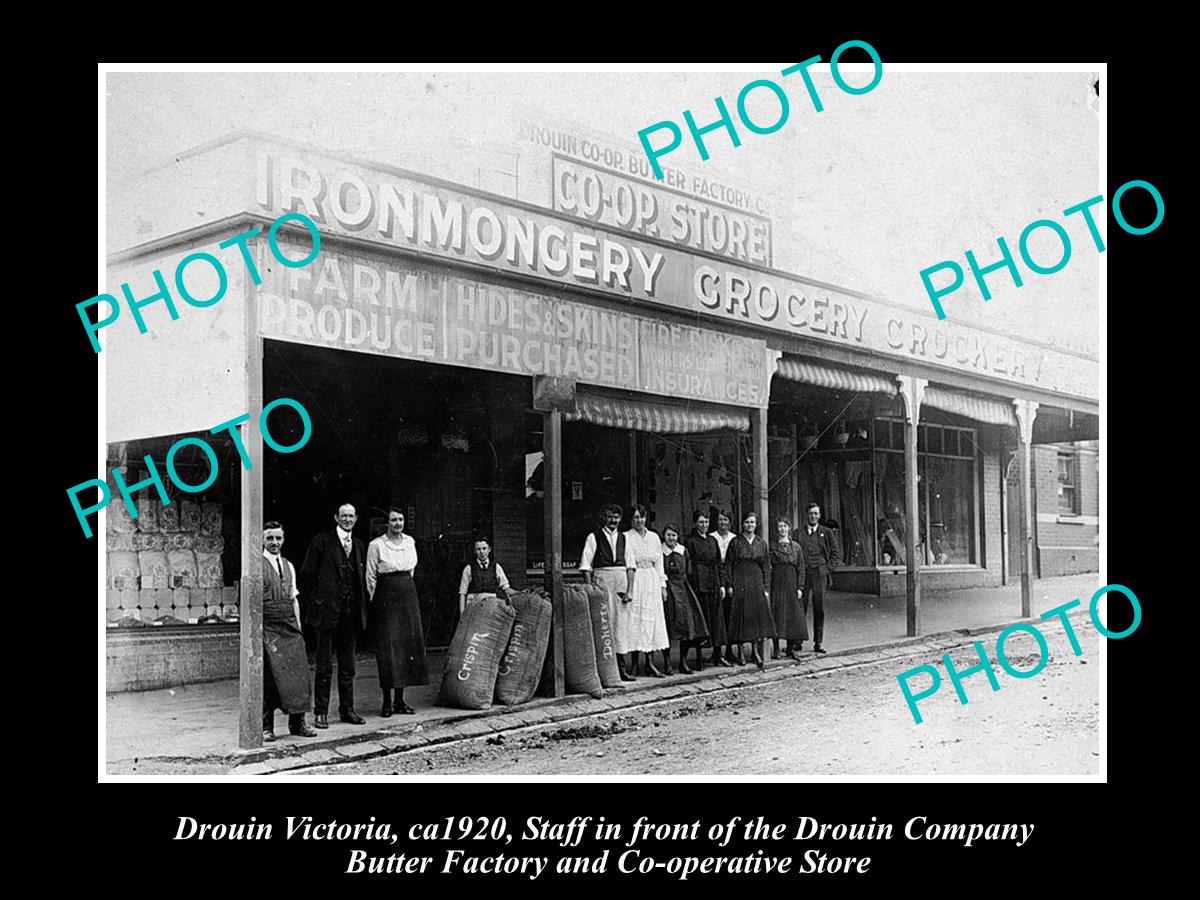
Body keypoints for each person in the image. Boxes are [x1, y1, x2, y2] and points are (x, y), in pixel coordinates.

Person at [299, 502, 369, 728]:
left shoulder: (359, 545)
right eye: (344, 516)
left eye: (351, 516)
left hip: (350, 613)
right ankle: (321, 712)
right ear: (336, 518)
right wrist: (319, 602)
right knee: (324, 665)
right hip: (327, 613)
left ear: (356, 518)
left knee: (348, 665)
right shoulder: (321, 542)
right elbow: (307, 576)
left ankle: (347, 710)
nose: (348, 519)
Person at [366, 507, 427, 717]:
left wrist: (404, 589)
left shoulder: (410, 542)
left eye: (400, 520)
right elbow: (371, 576)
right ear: (387, 523)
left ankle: (400, 701)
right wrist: (379, 601)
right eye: (393, 520)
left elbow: (411, 570)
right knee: (388, 649)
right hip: (386, 597)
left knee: (406, 648)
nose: (398, 523)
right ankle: (386, 702)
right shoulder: (376, 545)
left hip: (407, 595)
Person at [261, 522, 316, 741]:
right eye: (270, 538)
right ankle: (266, 727)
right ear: (263, 540)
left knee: (298, 676)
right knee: (270, 678)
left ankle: (298, 724)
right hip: (268, 627)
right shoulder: (256, 565)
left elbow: (294, 599)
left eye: (278, 538)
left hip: (290, 627)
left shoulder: (289, 565)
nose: (275, 543)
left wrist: (299, 629)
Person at [580, 503, 635, 682]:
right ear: (604, 517)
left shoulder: (625, 539)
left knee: (620, 624)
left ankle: (621, 669)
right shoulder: (593, 537)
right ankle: (603, 670)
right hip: (602, 580)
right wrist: (591, 589)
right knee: (603, 623)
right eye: (610, 516)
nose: (613, 520)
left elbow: (631, 566)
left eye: (617, 517)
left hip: (620, 581)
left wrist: (630, 590)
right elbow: (586, 565)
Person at [617, 505, 670, 677]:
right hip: (636, 579)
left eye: (642, 517)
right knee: (635, 621)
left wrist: (663, 586)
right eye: (636, 518)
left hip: (652, 580)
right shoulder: (626, 537)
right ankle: (634, 664)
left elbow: (659, 563)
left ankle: (650, 663)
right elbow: (628, 561)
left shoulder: (654, 537)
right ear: (631, 520)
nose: (639, 521)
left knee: (651, 620)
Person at [727, 512, 776, 669]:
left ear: (756, 525)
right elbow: (728, 565)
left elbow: (766, 566)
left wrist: (766, 587)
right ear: (743, 524)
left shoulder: (761, 543)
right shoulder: (735, 542)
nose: (749, 525)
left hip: (756, 582)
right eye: (747, 522)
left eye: (752, 522)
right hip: (740, 580)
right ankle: (741, 651)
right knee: (742, 616)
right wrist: (729, 585)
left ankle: (755, 651)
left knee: (755, 617)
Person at [661, 523, 709, 675]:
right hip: (667, 589)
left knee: (687, 626)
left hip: (682, 589)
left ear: (677, 536)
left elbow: (688, 571)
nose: (671, 538)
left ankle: (683, 661)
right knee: (667, 627)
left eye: (674, 535)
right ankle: (667, 663)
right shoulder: (660, 551)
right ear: (664, 536)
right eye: (668, 535)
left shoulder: (683, 551)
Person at [683, 510, 725, 670]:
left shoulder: (713, 540)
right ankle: (699, 657)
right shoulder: (690, 541)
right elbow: (688, 565)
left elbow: (718, 563)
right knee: (701, 620)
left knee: (715, 619)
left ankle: (717, 655)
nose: (704, 525)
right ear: (695, 523)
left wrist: (721, 584)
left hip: (712, 582)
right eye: (701, 522)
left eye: (706, 522)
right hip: (698, 583)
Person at [799, 502, 842, 653]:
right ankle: (798, 641)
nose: (813, 516)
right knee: (800, 606)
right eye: (811, 513)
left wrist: (826, 569)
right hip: (803, 574)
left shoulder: (827, 532)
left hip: (820, 574)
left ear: (820, 515)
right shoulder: (798, 533)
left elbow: (836, 555)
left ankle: (818, 642)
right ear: (806, 515)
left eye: (816, 513)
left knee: (819, 607)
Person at [769, 518, 807, 660]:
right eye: (780, 526)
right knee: (777, 616)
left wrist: (800, 587)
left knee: (793, 617)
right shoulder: (772, 546)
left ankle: (790, 648)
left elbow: (801, 569)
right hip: (777, 585)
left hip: (792, 585)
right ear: (777, 529)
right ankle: (777, 648)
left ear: (789, 528)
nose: (782, 529)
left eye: (785, 526)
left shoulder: (796, 547)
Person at [457, 535, 513, 613]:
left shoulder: (496, 567)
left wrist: (517, 594)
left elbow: (506, 588)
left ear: (489, 549)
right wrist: (462, 614)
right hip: (474, 607)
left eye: (484, 548)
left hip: (491, 607)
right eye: (478, 549)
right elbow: (463, 593)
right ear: (474, 551)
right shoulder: (469, 568)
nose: (482, 552)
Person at [711, 511, 737, 665]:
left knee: (729, 615)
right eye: (720, 520)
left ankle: (729, 650)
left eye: (725, 520)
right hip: (715, 578)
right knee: (717, 616)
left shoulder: (734, 538)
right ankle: (716, 651)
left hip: (730, 577)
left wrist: (730, 583)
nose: (722, 523)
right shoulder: (712, 537)